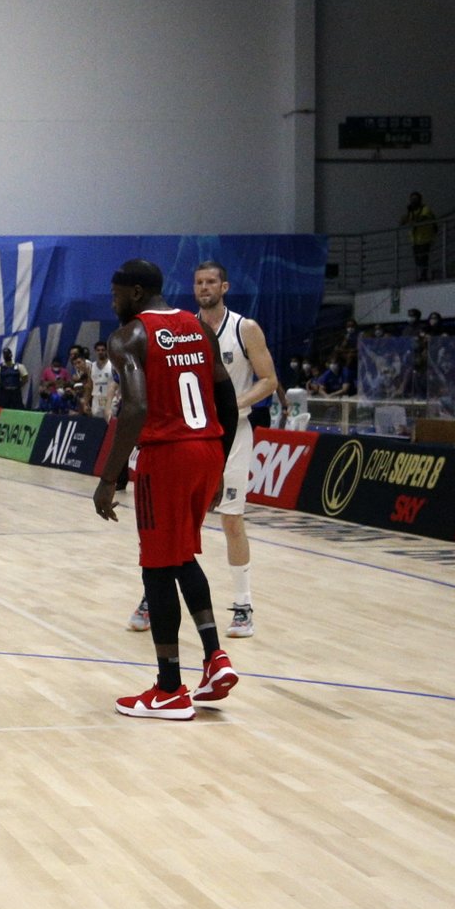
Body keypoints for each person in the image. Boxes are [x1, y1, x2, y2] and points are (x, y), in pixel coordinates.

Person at [92, 261, 239, 719]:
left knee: (156, 567)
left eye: (116, 295)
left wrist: (109, 478)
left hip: (168, 455)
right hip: (208, 449)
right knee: (180, 555)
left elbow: (135, 407)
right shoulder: (199, 328)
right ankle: (215, 659)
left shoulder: (129, 337)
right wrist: (217, 467)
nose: (113, 303)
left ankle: (169, 687)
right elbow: (227, 400)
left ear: (135, 292)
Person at [190, 262, 278, 637]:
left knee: (231, 519)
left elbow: (270, 381)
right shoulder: (184, 330)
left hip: (234, 433)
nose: (205, 287)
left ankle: (243, 606)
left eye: (211, 281)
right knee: (178, 522)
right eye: (199, 282)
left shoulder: (245, 328)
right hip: (193, 436)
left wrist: (233, 405)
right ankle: (152, 595)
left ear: (224, 286)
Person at [402, 193, 439, 277]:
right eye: (412, 199)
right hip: (415, 241)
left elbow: (422, 218)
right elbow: (402, 222)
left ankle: (424, 275)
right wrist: (408, 214)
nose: (413, 201)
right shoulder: (411, 212)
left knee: (423, 258)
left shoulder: (425, 209)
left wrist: (413, 220)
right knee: (417, 260)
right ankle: (421, 274)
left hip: (425, 239)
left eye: (415, 199)